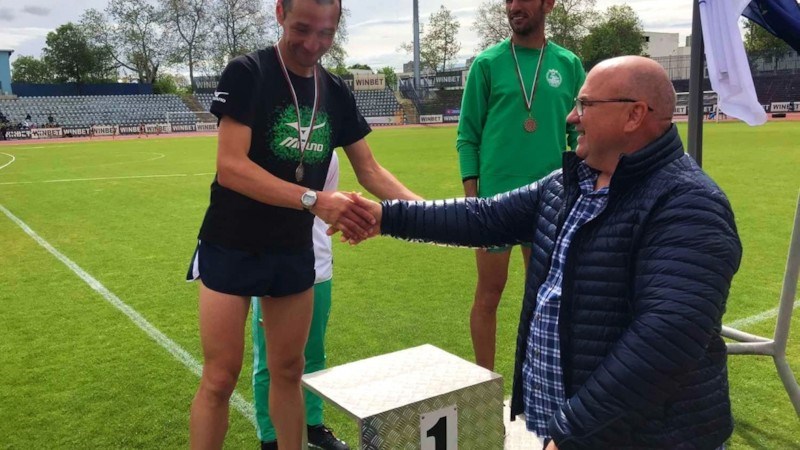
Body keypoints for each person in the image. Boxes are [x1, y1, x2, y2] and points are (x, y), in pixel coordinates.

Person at [348, 56, 742, 449]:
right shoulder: (567, 184)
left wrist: (572, 431)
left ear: (634, 115)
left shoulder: (689, 203)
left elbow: (666, 340)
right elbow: (484, 218)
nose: (572, 117)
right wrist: (385, 217)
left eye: (585, 105)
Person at [186, 0, 419, 448]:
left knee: (290, 372)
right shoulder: (248, 72)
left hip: (291, 248)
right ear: (280, 12)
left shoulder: (334, 90)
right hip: (231, 241)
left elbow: (370, 170)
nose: (313, 44)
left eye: (326, 33)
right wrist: (315, 200)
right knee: (220, 377)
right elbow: (231, 167)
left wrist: (438, 215)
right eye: (302, 29)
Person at [457, 0, 585, 370]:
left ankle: (538, 384)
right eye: (509, 0)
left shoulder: (569, 64)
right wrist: (472, 203)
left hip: (550, 202)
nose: (514, 5)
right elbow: (468, 136)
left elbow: (580, 131)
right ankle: (485, 386)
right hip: (494, 203)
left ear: (548, 4)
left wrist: (578, 189)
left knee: (546, 298)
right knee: (488, 294)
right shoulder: (487, 63)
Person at [251, 151, 349, 450]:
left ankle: (312, 424)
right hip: (273, 268)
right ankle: (271, 436)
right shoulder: (266, 147)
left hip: (318, 265)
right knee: (270, 361)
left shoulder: (329, 153)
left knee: (315, 354)